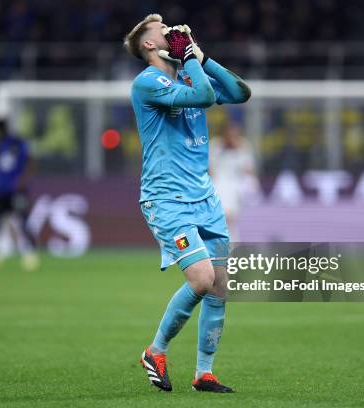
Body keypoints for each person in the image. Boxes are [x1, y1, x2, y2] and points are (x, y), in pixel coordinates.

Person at [125, 14, 251, 393]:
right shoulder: (148, 82)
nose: (173, 33)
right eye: (163, 32)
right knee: (201, 278)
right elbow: (205, 97)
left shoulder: (188, 73)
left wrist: (201, 57)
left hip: (204, 196)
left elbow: (240, 93)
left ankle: (204, 373)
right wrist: (191, 60)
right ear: (149, 45)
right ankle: (155, 351)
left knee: (220, 286)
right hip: (166, 199)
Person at [0, 119, 38, 271]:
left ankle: (30, 253)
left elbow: (30, 162)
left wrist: (23, 181)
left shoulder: (18, 143)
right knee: (0, 221)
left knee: (21, 220)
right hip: (1, 190)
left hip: (17, 190)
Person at [209, 122, 259, 241]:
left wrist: (238, 149)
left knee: (230, 219)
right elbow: (210, 168)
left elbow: (249, 169)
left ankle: (230, 249)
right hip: (219, 184)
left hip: (235, 185)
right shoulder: (215, 145)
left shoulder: (243, 146)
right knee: (222, 219)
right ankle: (224, 249)